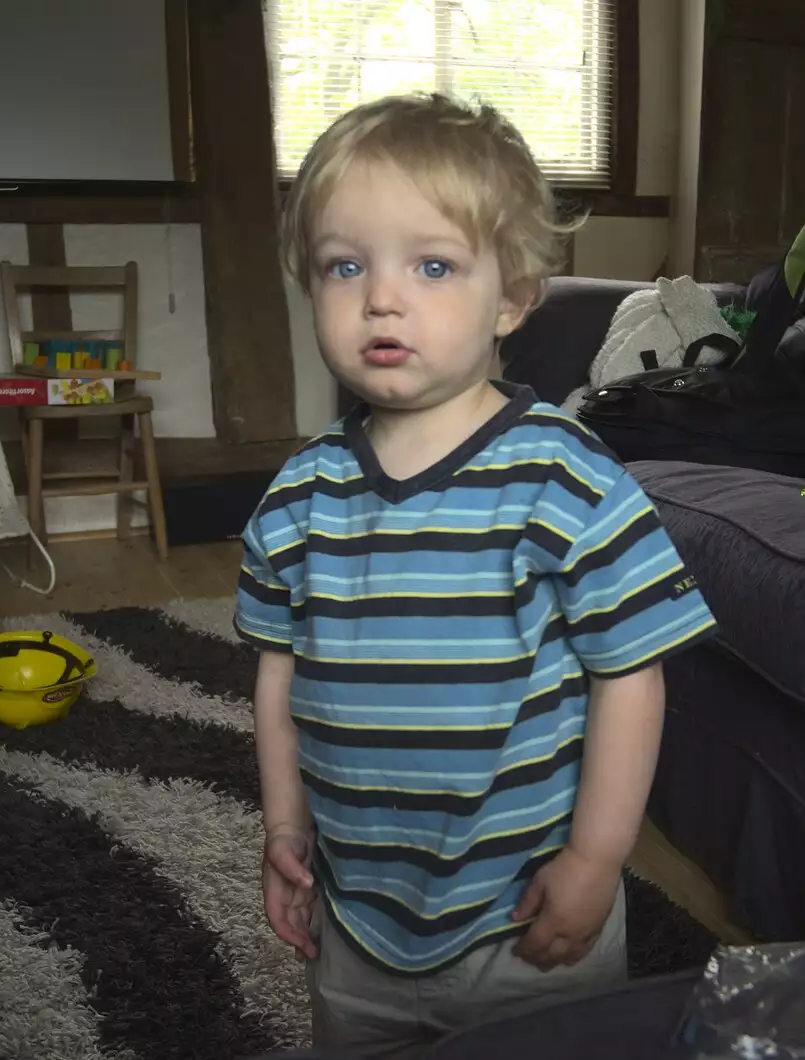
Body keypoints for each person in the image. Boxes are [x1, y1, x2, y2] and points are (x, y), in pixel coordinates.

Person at [233, 92, 716, 1058]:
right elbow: (280, 673)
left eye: (433, 265)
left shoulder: (567, 481)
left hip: (527, 920)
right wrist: (284, 825)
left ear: (512, 297)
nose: (380, 296)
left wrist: (595, 859)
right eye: (343, 265)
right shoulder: (295, 498)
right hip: (359, 919)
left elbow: (631, 677)